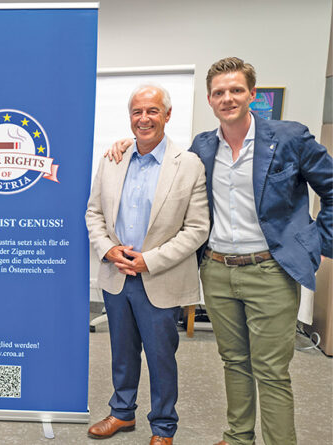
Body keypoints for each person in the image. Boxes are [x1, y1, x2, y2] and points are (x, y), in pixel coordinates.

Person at [104, 57, 332, 445]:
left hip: (270, 271)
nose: (228, 98)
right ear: (209, 99)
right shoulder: (203, 147)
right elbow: (166, 160)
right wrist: (129, 145)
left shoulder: (290, 138)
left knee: (271, 370)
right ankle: (238, 436)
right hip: (218, 270)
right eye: (219, 92)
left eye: (236, 90)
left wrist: (318, 244)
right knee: (234, 361)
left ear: (252, 94)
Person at [85, 84, 209, 445]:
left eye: (152, 111)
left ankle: (163, 427)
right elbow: (94, 213)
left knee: (161, 357)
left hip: (160, 277)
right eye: (137, 112)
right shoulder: (113, 159)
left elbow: (197, 229)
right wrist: (108, 249)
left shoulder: (188, 165)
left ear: (167, 115)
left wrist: (149, 261)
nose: (144, 118)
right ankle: (122, 412)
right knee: (122, 353)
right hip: (117, 275)